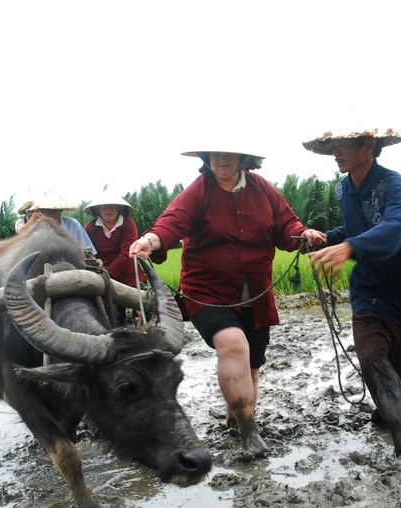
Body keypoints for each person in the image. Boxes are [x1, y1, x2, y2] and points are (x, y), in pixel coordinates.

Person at [128, 146, 323, 455]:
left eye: (229, 155)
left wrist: (303, 234)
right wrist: (148, 241)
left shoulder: (262, 190)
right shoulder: (199, 192)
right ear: (206, 159)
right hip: (208, 292)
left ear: (244, 159)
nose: (221, 161)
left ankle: (237, 419)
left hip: (255, 295)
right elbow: (171, 223)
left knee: (252, 367)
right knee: (233, 345)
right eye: (215, 155)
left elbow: (287, 225)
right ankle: (249, 432)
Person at [302, 127, 401, 456]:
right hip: (369, 291)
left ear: (368, 144)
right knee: (372, 359)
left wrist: (350, 247)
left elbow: (397, 227)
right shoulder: (342, 189)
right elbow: (354, 229)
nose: (335, 153)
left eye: (342, 145)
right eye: (332, 146)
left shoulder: (393, 184)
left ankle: (390, 419)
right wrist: (328, 239)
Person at [84, 191, 145, 288]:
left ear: (119, 208)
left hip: (129, 277)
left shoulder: (128, 223)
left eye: (113, 206)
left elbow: (126, 253)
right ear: (97, 209)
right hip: (101, 277)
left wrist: (107, 273)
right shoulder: (91, 227)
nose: (109, 209)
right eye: (104, 206)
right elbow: (88, 253)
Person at [17, 190, 97, 255]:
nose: (51, 214)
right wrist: (33, 218)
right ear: (40, 211)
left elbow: (88, 251)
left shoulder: (73, 225)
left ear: (61, 210)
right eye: (47, 211)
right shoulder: (34, 227)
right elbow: (22, 236)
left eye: (55, 211)